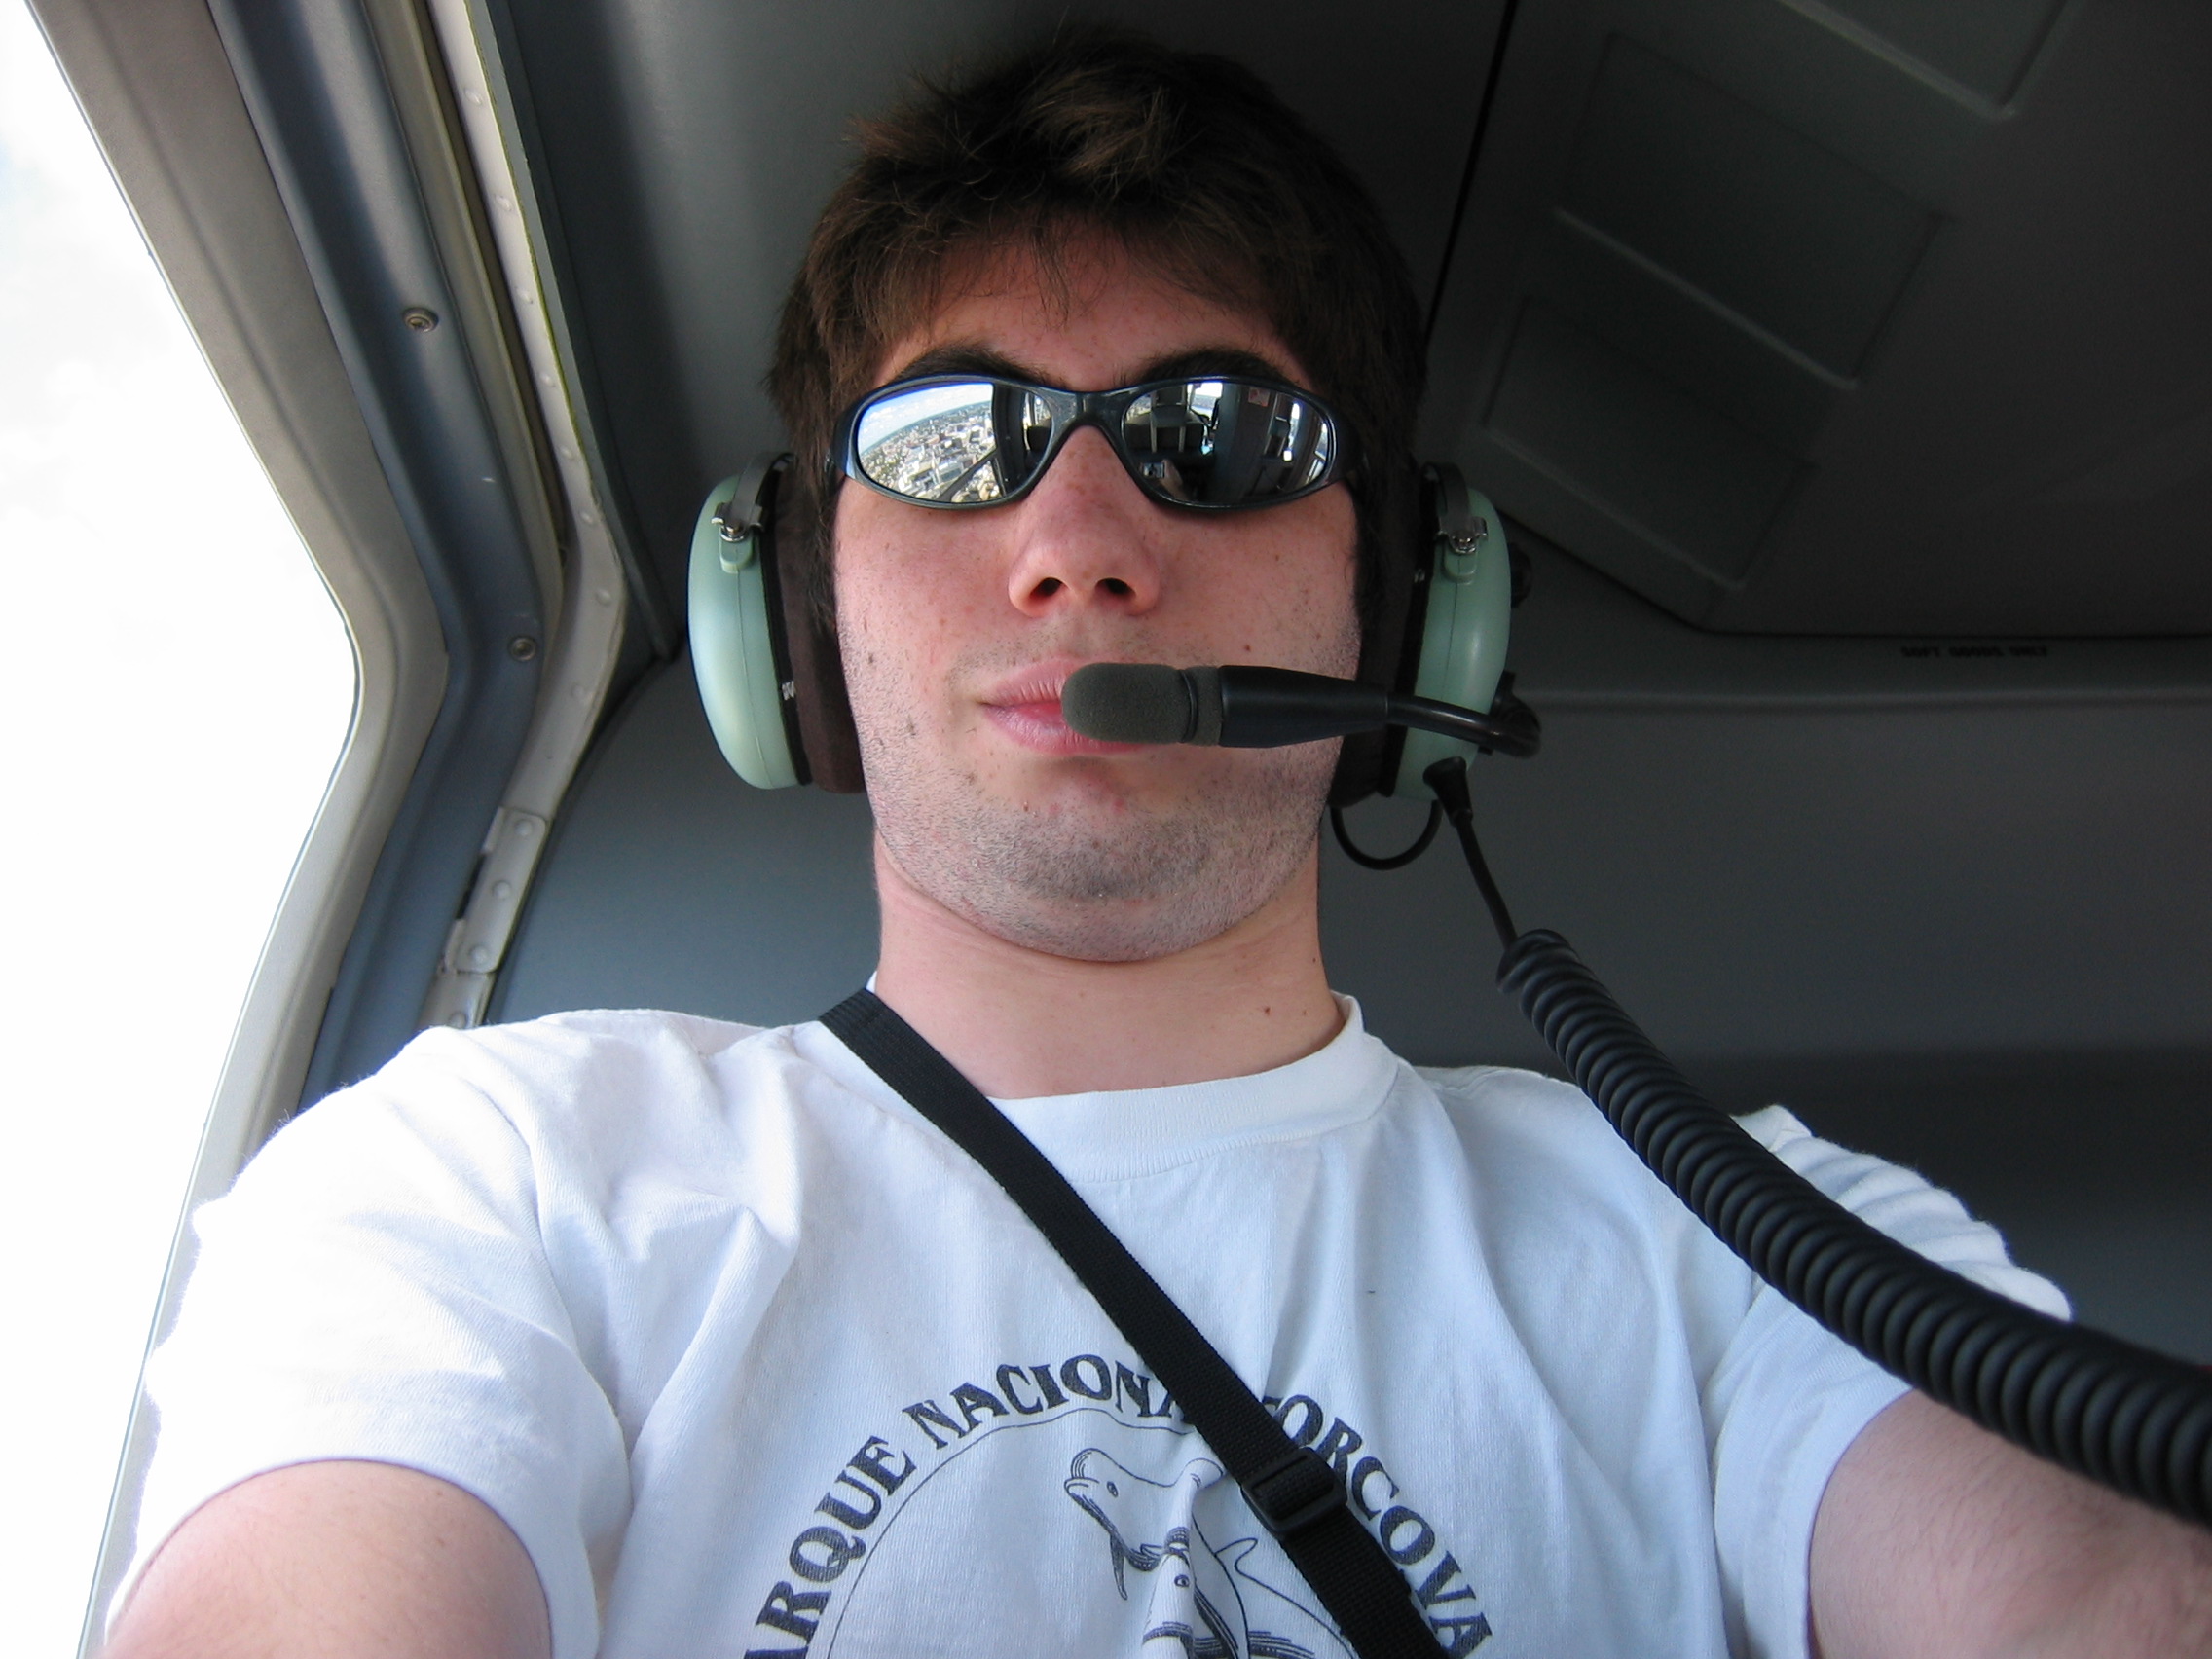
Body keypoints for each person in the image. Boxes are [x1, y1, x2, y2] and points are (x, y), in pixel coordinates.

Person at [104, 31, 2209, 1659]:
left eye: (1219, 438)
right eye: (954, 443)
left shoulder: (1736, 1241)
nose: (1076, 545)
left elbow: (2081, 1595)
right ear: (797, 611)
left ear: (1404, 606)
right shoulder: (494, 1178)